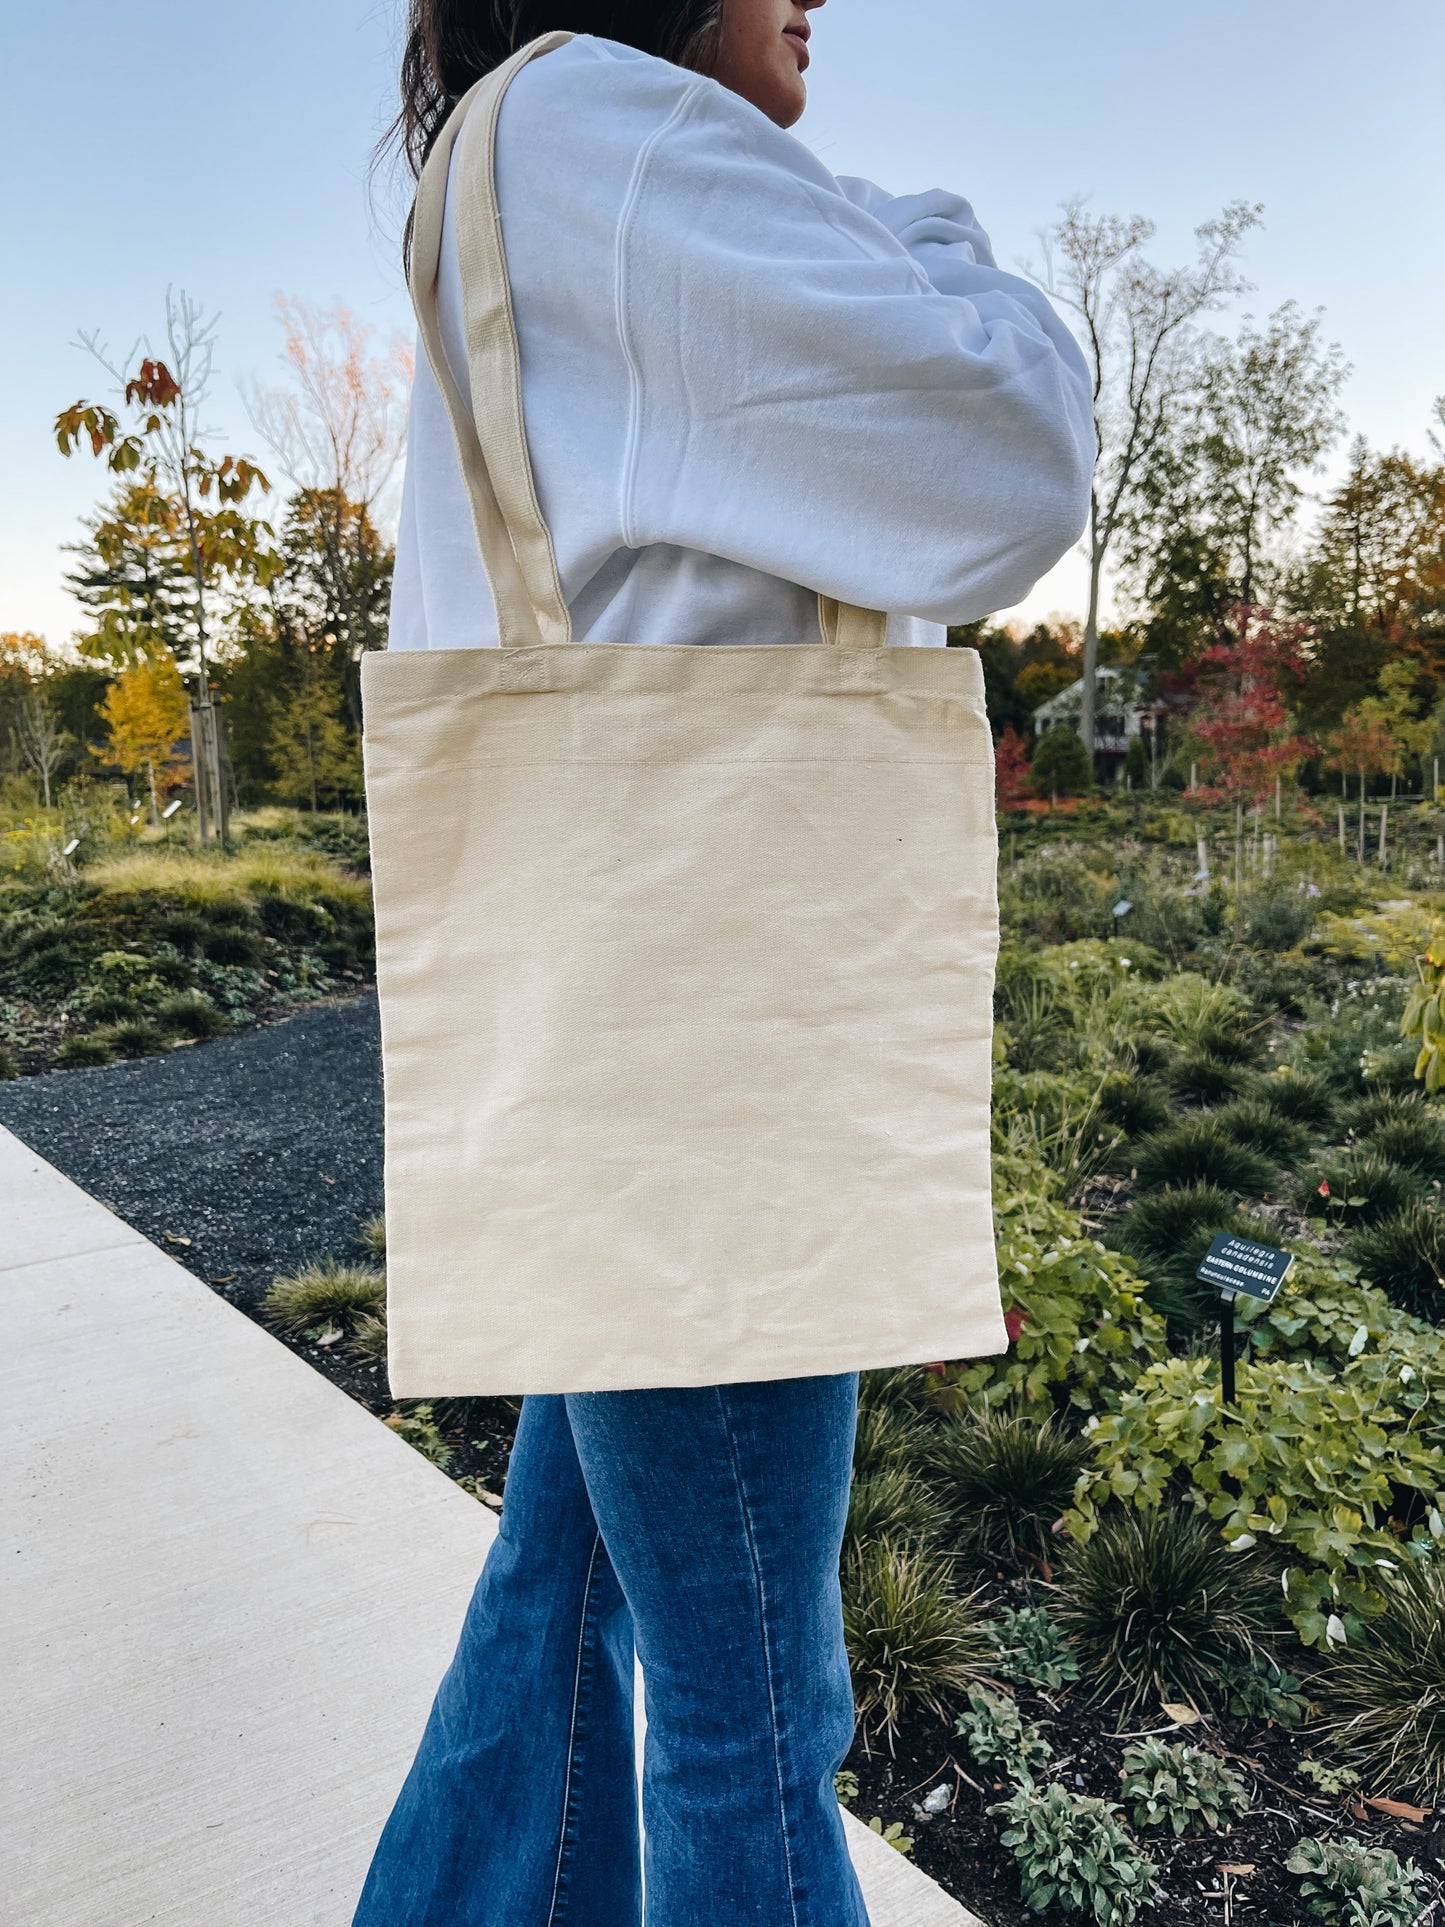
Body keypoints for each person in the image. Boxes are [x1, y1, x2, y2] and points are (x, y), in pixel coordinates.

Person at [355, 4, 1093, 1923]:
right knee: (754, 1714)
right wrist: (925, 231)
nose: (818, 1)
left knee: (558, 1601)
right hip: (701, 1084)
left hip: (622, 1054)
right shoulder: (606, 129)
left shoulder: (523, 156)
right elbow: (1005, 458)